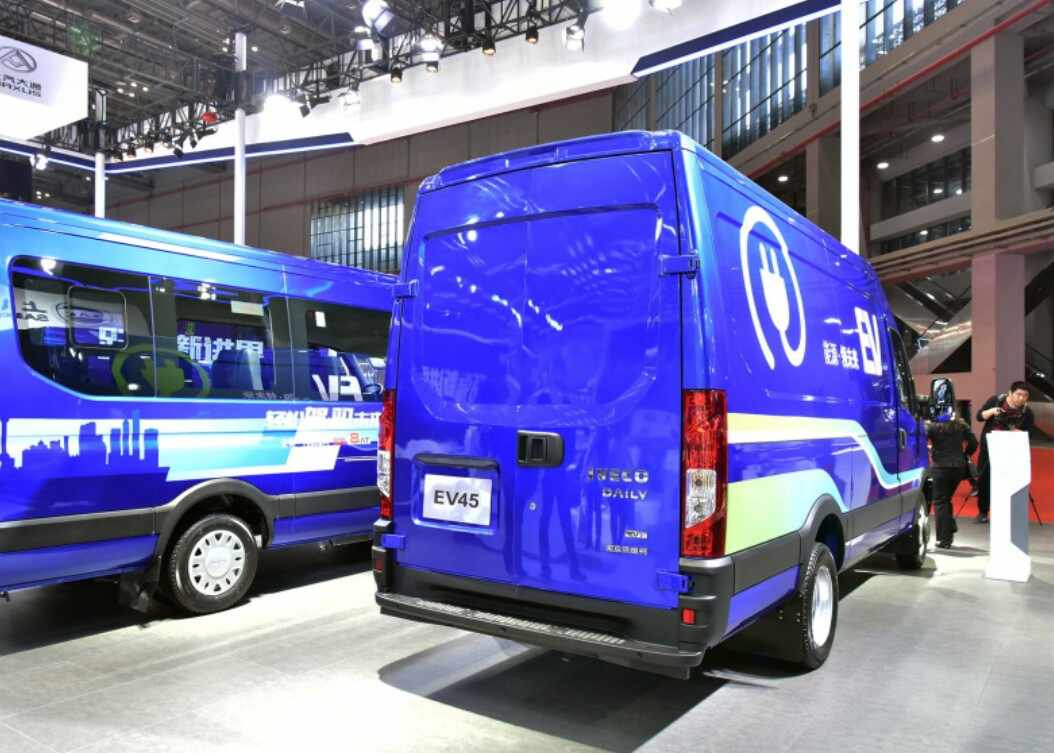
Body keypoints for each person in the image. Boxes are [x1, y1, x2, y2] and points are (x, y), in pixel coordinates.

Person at [975, 381, 1035, 523]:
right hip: (989, 447)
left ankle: (1006, 512)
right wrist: (992, 411)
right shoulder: (995, 401)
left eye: (1025, 396)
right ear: (1010, 393)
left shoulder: (1027, 413)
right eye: (1018, 394)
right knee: (984, 480)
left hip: (1010, 450)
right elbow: (979, 416)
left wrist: (1016, 431)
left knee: (1008, 482)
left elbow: (1029, 434)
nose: (1021, 398)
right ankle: (983, 512)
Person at [926, 411, 978, 549]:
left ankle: (944, 539)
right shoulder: (961, 425)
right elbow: (974, 443)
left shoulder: (932, 427)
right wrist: (964, 454)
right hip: (958, 468)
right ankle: (948, 531)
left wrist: (930, 450)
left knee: (940, 501)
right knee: (946, 500)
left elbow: (920, 441)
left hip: (940, 468)